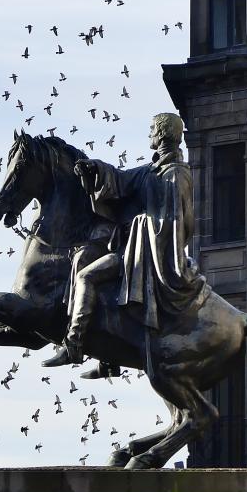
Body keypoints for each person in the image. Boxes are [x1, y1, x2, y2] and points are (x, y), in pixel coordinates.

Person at [44, 112, 210, 368]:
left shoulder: (175, 175)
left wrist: (138, 226)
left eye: (153, 129)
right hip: (133, 249)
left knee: (86, 277)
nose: (149, 134)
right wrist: (94, 168)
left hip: (149, 256)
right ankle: (108, 357)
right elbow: (121, 181)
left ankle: (74, 345)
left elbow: (175, 224)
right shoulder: (152, 170)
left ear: (163, 133)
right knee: (81, 257)